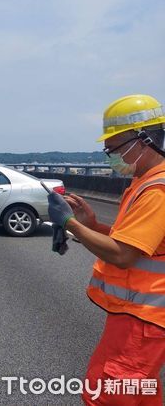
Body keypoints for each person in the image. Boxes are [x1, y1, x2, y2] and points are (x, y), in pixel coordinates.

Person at [48, 94, 165, 405]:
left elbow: (122, 256)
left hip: (144, 320)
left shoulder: (157, 189)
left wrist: (70, 222)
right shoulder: (145, 182)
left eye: (115, 147)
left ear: (143, 140)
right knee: (139, 396)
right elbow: (135, 246)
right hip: (140, 317)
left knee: (107, 394)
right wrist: (93, 224)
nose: (111, 156)